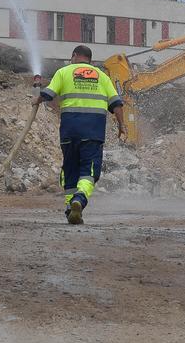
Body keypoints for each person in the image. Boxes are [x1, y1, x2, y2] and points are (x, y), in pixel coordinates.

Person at [32, 45, 126, 224]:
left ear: (74, 56)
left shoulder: (63, 72)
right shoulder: (102, 76)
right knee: (89, 172)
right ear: (90, 59)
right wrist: (122, 125)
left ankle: (70, 210)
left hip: (69, 132)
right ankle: (79, 199)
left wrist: (36, 98)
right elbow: (117, 104)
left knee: (70, 170)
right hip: (93, 132)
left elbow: (48, 94)